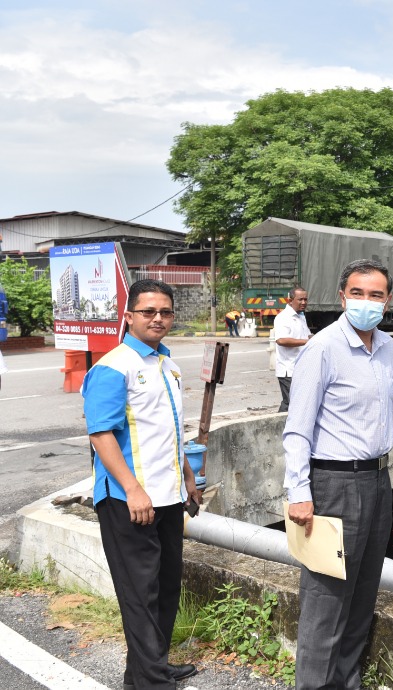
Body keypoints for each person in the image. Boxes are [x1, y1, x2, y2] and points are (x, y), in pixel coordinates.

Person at [283, 259, 393, 690]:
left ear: (389, 301)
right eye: (357, 293)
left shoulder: (384, 347)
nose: (366, 302)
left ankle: (346, 681)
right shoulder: (322, 349)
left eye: (376, 295)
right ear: (343, 297)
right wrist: (298, 492)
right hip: (334, 485)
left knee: (363, 592)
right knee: (326, 599)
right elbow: (297, 429)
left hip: (378, 482)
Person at [81, 279, 201, 690]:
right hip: (127, 500)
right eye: (149, 311)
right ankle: (150, 683)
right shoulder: (113, 367)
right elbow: (101, 435)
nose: (158, 318)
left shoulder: (168, 364)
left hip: (167, 496)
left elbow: (168, 429)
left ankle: (150, 669)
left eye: (165, 312)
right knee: (140, 593)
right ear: (129, 316)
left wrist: (188, 477)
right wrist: (133, 489)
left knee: (166, 586)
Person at [273, 288, 311, 412]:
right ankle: (278, 428)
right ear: (290, 300)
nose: (304, 302)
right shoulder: (283, 317)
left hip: (300, 368)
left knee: (296, 402)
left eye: (305, 299)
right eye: (300, 299)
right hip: (288, 369)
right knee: (291, 403)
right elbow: (281, 340)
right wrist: (306, 342)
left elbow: (307, 336)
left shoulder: (301, 316)